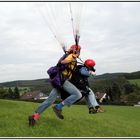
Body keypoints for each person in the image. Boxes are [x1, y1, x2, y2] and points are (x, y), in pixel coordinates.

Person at [28, 44, 82, 126]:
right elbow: (62, 62)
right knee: (78, 94)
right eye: (79, 51)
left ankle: (34, 117)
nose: (79, 52)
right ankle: (58, 107)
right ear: (77, 51)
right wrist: (73, 57)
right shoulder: (71, 56)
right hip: (63, 80)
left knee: (49, 101)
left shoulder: (68, 55)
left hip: (58, 82)